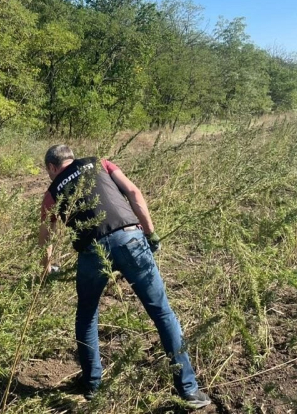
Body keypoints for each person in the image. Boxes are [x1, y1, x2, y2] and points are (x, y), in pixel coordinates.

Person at [38, 144, 211, 409]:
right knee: (162, 313)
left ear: (52, 167)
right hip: (130, 237)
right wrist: (150, 234)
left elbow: (46, 235)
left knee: (86, 316)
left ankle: (93, 387)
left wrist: (47, 268)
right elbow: (133, 191)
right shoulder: (100, 163)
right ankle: (189, 391)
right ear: (71, 158)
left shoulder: (52, 193)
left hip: (91, 250)